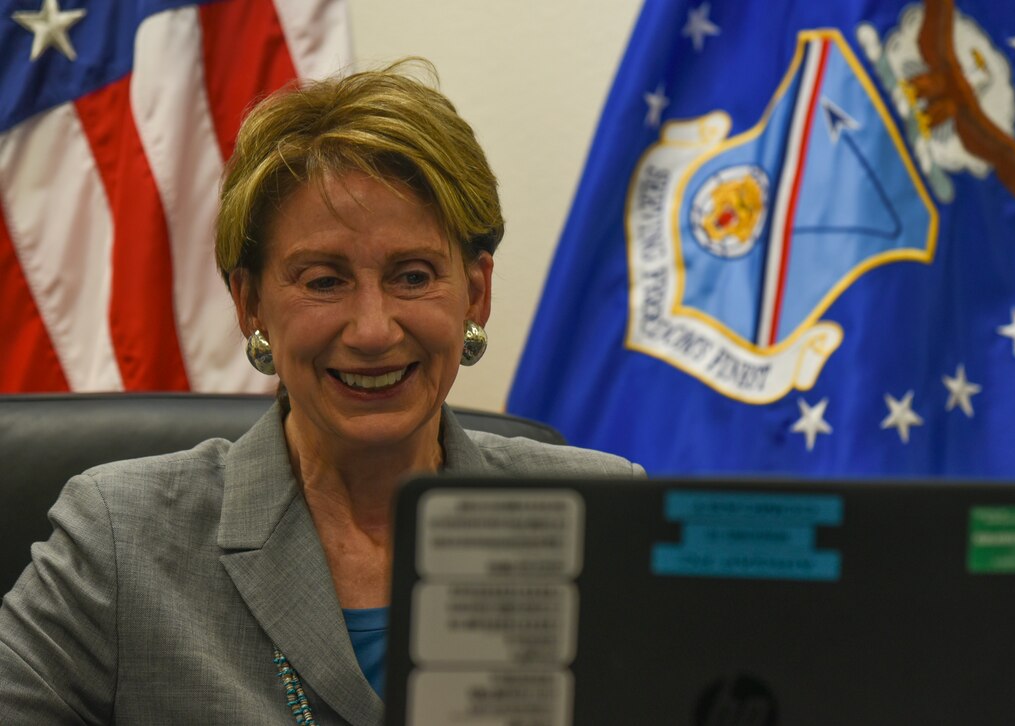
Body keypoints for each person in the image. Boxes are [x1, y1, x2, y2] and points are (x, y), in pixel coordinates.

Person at [0, 59, 644, 725]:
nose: (372, 330)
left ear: (475, 292)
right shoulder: (121, 538)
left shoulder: (606, 517)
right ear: (251, 303)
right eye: (324, 280)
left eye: (414, 276)